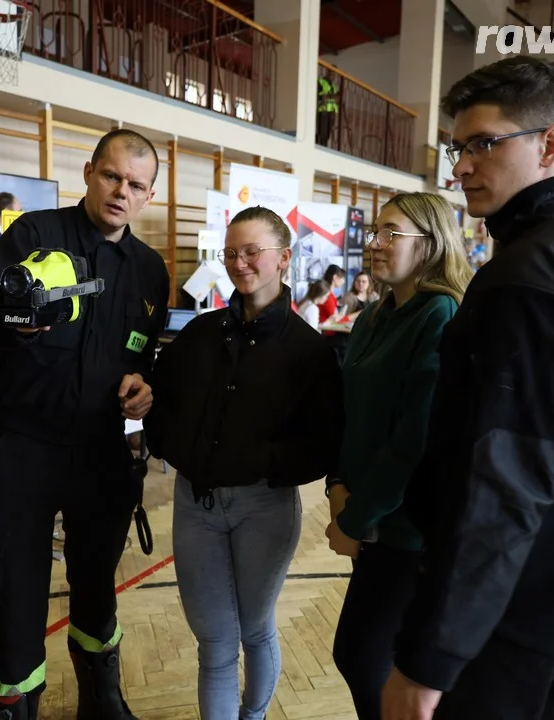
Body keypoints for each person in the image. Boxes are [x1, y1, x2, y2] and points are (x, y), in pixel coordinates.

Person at [380, 57, 554, 720]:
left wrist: (432, 658)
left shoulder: (527, 280)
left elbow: (506, 483)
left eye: (482, 144)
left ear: (549, 144)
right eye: (458, 148)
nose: (461, 167)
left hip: (509, 614)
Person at [0, 129, 170, 720]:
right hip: (26, 445)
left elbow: (144, 358)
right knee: (13, 585)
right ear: (88, 172)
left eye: (135, 184)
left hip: (104, 452)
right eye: (111, 176)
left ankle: (101, 701)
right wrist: (17, 321)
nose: (120, 192)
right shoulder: (35, 234)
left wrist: (144, 392)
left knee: (96, 580)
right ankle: (15, 707)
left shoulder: (151, 270)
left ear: (149, 195)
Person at [144, 206, 343, 720]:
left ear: (282, 257)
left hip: (263, 508)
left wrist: (262, 464)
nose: (240, 262)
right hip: (195, 507)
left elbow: (322, 441)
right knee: (213, 643)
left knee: (254, 629)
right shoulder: (200, 335)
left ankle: (252, 715)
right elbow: (160, 401)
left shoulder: (308, 351)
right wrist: (170, 441)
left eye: (252, 251)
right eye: (231, 252)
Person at [327, 192, 473, 720]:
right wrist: (337, 486)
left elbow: (414, 438)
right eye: (375, 233)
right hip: (368, 516)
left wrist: (356, 515)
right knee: (365, 658)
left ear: (430, 245)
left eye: (391, 234)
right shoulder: (374, 316)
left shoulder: (441, 313)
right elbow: (350, 416)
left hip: (408, 531)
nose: (374, 244)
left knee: (365, 658)